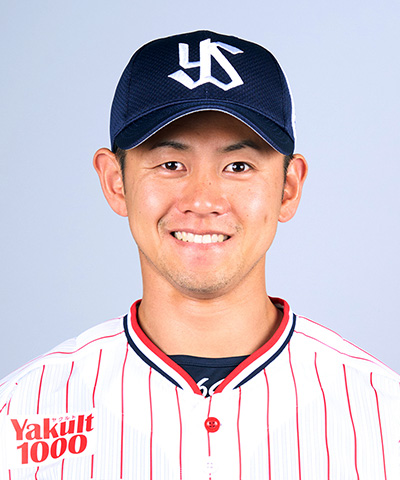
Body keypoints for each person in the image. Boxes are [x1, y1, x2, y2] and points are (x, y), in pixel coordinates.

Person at [0, 30, 399, 480]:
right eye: (171, 164)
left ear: (288, 188)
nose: (203, 200)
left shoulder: (385, 416)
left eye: (238, 166)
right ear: (116, 182)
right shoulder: (19, 411)